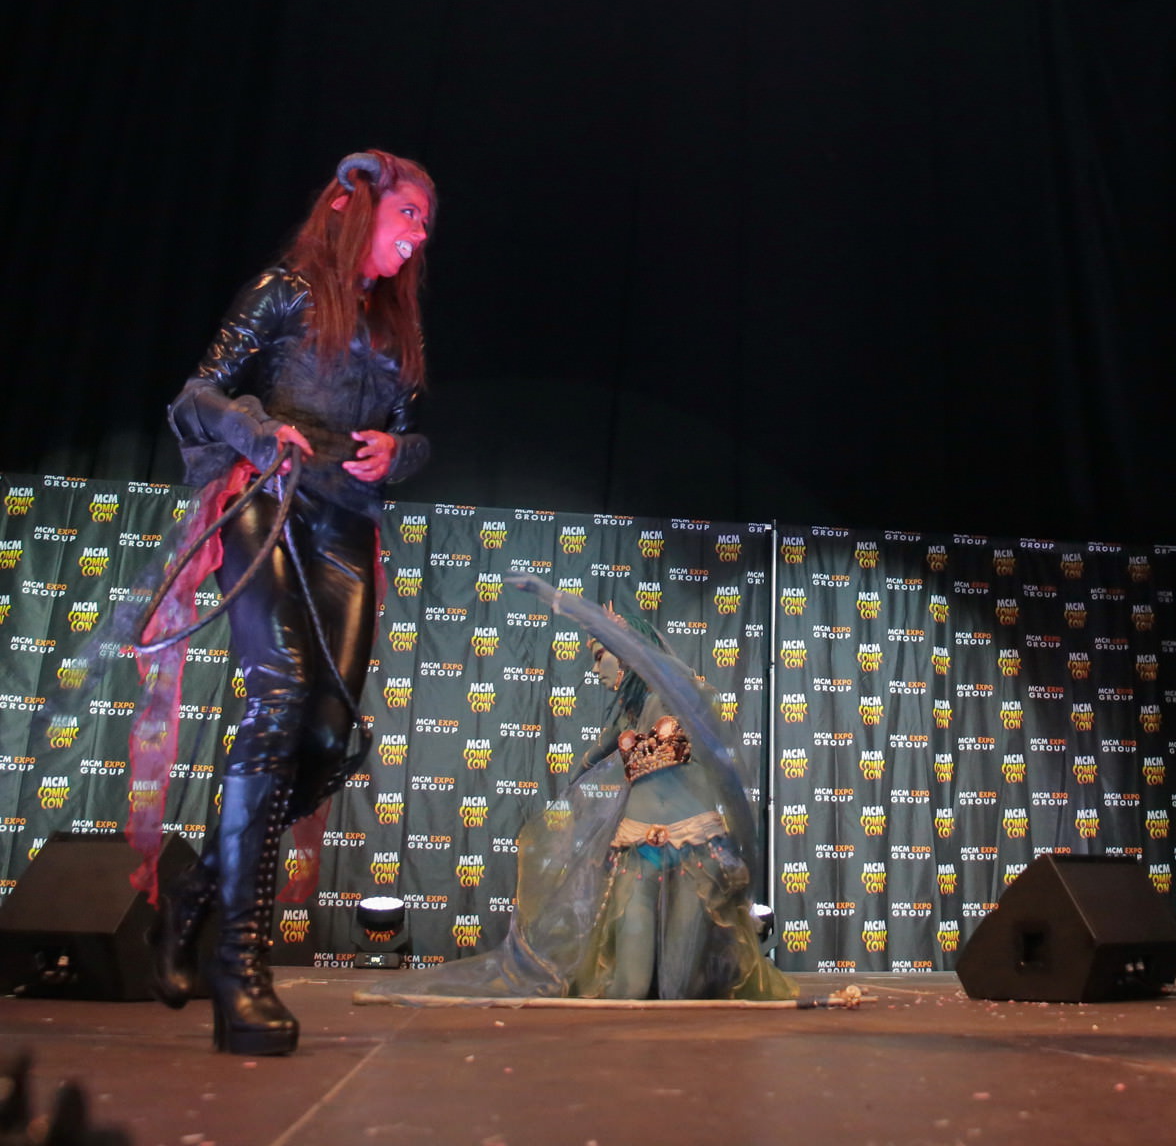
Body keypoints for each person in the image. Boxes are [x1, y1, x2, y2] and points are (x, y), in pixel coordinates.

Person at [146, 150, 435, 1055]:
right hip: (265, 495)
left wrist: (400, 454)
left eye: (425, 223)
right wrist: (257, 425)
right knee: (277, 697)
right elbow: (194, 395)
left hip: (346, 522)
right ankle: (241, 968)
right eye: (410, 214)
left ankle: (192, 898)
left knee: (324, 735)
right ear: (360, 207)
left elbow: (410, 434)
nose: (419, 234)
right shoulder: (284, 291)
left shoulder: (395, 329)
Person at [365, 581, 795, 1004]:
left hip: (696, 848)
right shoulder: (625, 719)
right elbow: (587, 763)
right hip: (636, 850)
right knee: (629, 985)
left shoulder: (676, 691)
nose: (594, 669)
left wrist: (555, 597)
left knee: (684, 985)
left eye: (600, 656)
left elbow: (655, 668)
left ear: (627, 652)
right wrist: (576, 783)